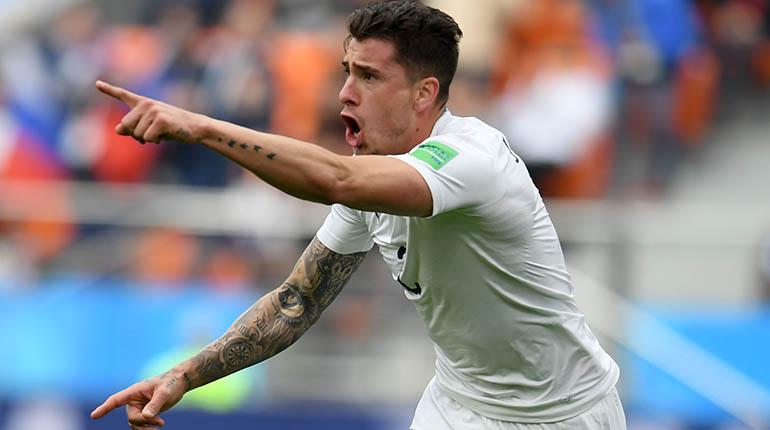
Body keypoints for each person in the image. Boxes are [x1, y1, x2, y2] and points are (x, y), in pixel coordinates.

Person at [90, 1, 626, 429]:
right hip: (459, 404)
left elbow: (334, 180)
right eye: (346, 72)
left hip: (563, 413)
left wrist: (202, 128)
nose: (344, 94)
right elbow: (297, 302)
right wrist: (184, 375)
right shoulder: (370, 178)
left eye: (368, 77)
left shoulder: (472, 158)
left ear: (424, 93)